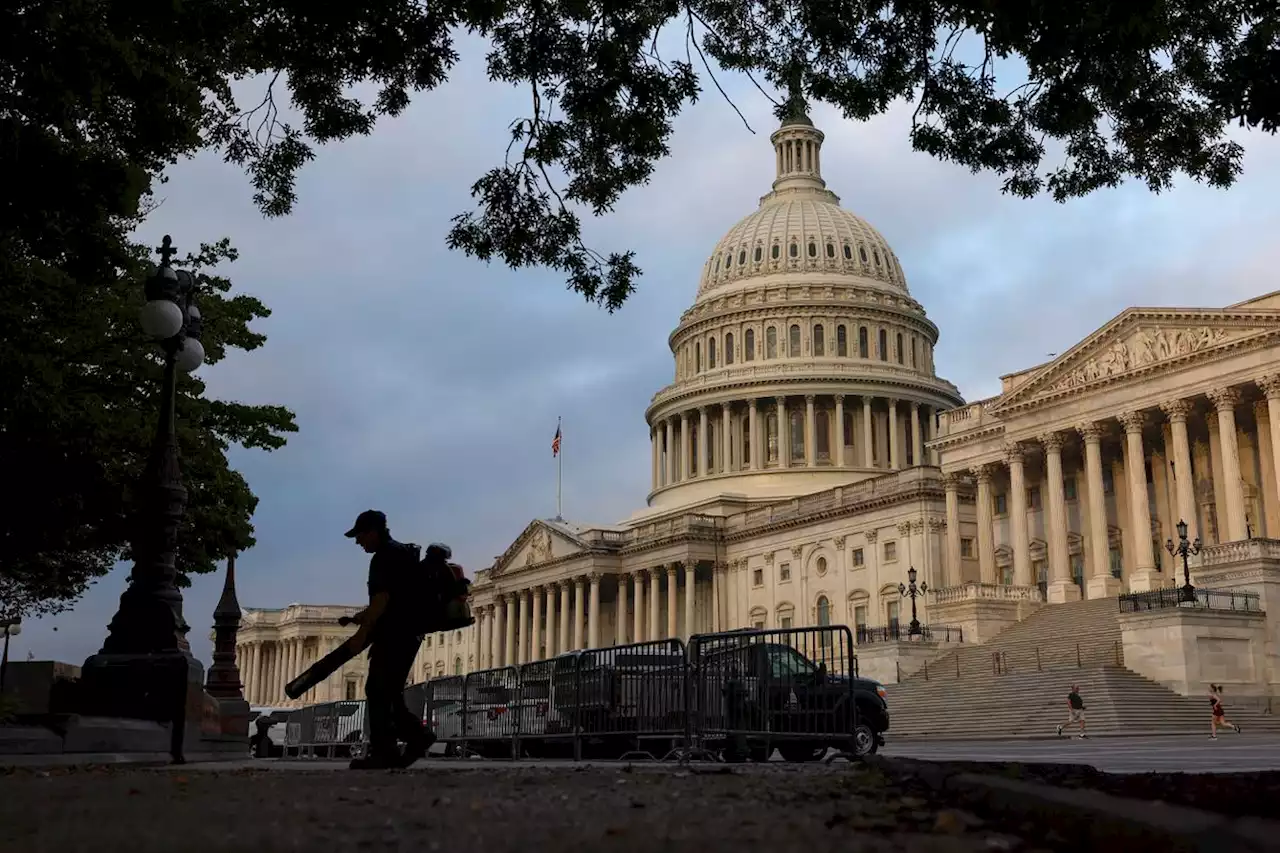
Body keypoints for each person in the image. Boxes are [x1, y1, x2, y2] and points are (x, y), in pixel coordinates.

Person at [343, 509, 435, 769]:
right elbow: (393, 598)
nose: (358, 542)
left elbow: (382, 601)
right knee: (389, 692)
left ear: (372, 532)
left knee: (378, 689)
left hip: (395, 634)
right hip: (409, 632)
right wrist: (360, 618)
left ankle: (389, 749)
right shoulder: (402, 553)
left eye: (360, 536)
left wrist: (361, 636)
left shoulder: (384, 557)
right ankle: (408, 741)